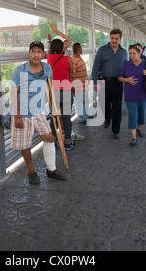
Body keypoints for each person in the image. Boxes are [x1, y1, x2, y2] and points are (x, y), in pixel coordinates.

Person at [10, 41, 66, 184]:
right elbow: (13, 93)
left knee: (49, 137)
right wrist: (17, 116)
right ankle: (31, 171)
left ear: (43, 54)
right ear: (29, 53)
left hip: (39, 110)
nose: (36, 54)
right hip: (22, 112)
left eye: (39, 52)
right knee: (25, 145)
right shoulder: (20, 70)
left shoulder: (47, 68)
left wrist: (54, 108)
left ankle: (51, 169)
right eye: (33, 51)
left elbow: (50, 88)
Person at [118, 45, 146, 146]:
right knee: (133, 115)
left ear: (139, 53)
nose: (132, 55)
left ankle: (139, 129)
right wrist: (127, 80)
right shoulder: (126, 65)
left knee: (141, 114)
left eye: (134, 53)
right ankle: (133, 137)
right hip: (130, 95)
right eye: (130, 53)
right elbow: (120, 77)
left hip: (144, 95)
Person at [91, 29, 128, 139]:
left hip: (118, 83)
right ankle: (108, 118)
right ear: (110, 38)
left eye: (116, 38)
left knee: (117, 106)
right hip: (103, 82)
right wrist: (95, 82)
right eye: (112, 38)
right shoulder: (102, 50)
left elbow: (126, 66)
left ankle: (116, 130)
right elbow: (96, 67)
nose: (114, 40)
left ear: (120, 39)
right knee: (104, 104)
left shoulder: (123, 52)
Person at [46, 25, 76, 150]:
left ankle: (53, 142)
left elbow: (49, 50)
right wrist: (56, 31)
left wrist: (49, 40)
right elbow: (72, 76)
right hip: (67, 90)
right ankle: (68, 142)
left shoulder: (49, 59)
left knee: (55, 118)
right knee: (67, 118)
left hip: (54, 92)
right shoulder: (67, 59)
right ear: (62, 47)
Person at [71, 43, 89, 124]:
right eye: (81, 48)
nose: (82, 49)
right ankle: (81, 118)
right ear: (78, 49)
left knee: (84, 101)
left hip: (84, 85)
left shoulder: (79, 57)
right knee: (80, 102)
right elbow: (72, 74)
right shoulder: (73, 59)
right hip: (78, 86)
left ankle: (85, 116)